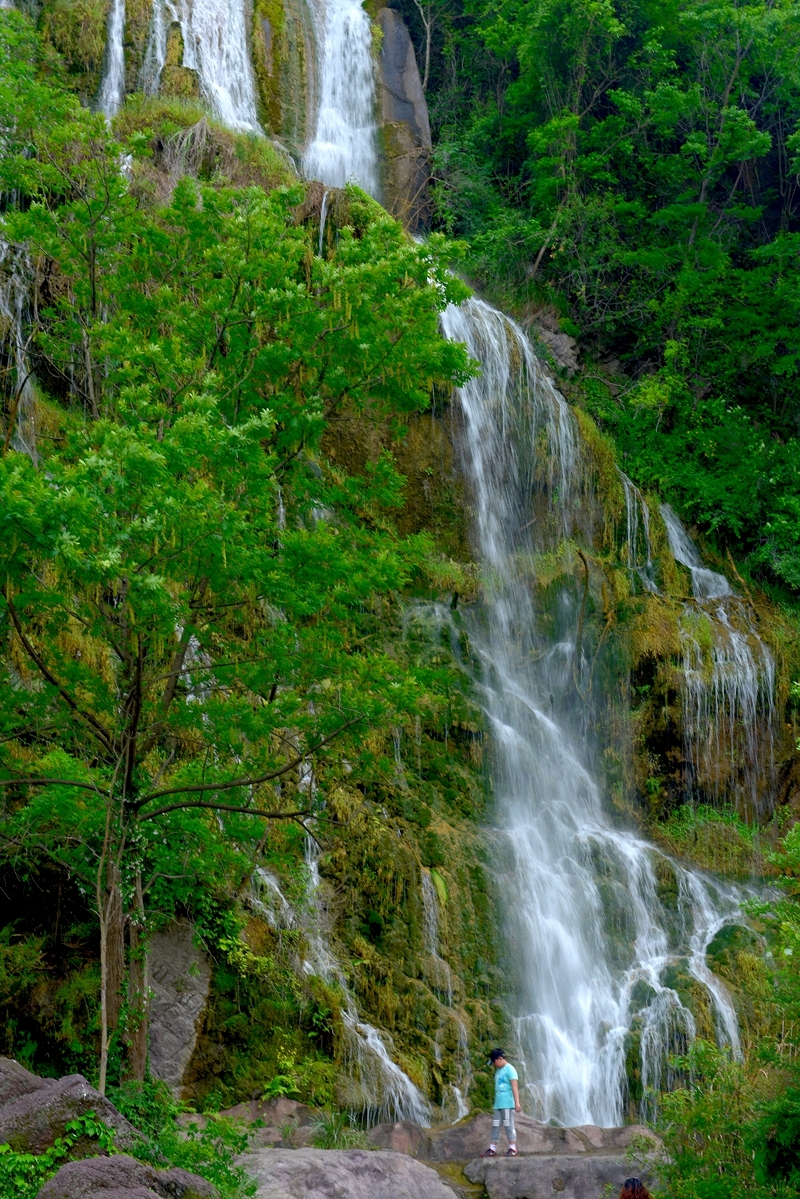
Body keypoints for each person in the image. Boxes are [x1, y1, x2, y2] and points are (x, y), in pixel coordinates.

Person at [481, 1048, 522, 1157]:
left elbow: (514, 1086)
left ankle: (513, 1148)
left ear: (500, 1059)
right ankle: (492, 1148)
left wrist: (517, 1103)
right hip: (498, 1104)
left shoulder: (510, 1069)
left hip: (507, 1104)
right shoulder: (498, 1070)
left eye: (494, 1062)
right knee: (495, 1125)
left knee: (508, 1124)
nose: (494, 1064)